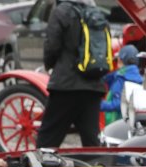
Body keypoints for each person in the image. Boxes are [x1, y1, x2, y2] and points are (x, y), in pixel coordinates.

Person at [36, 0, 112, 150]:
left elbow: (52, 45)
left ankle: (42, 165)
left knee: (47, 140)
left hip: (66, 85)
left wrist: (50, 65)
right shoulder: (97, 13)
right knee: (92, 144)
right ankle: (95, 165)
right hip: (93, 86)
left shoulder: (61, 12)